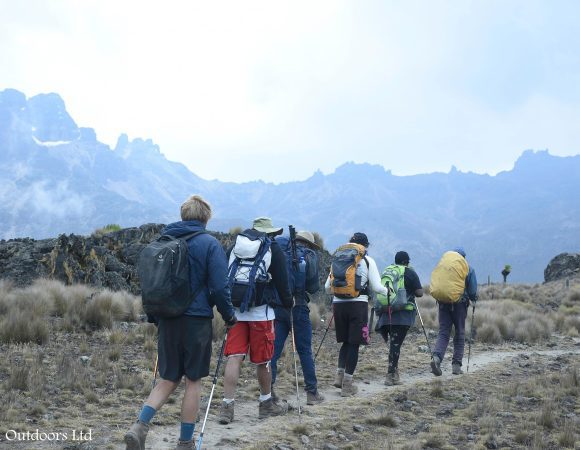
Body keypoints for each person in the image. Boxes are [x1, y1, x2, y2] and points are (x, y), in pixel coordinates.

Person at [124, 195, 237, 450]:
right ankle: (185, 442)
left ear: (183, 215)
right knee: (193, 381)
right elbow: (220, 287)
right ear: (205, 218)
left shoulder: (164, 241)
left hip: (167, 319)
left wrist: (156, 316)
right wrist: (229, 316)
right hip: (196, 322)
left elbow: (153, 285)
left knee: (168, 377)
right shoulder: (210, 244)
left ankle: (138, 427)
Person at [218, 217, 293, 424]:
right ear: (269, 232)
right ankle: (266, 404)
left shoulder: (236, 246)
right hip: (261, 313)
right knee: (263, 361)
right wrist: (288, 302)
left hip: (235, 312)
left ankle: (227, 407)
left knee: (234, 357)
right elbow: (282, 282)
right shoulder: (273, 249)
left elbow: (223, 274)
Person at [324, 232, 389, 397]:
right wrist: (387, 290)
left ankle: (339, 376)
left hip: (338, 305)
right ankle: (348, 385)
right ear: (365, 246)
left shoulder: (338, 259)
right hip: (358, 304)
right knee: (354, 343)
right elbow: (376, 287)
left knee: (345, 341)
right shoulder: (367, 260)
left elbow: (326, 287)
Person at [271, 230, 324, 405]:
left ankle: (268, 393)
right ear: (308, 244)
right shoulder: (309, 256)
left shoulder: (280, 251)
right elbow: (314, 287)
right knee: (304, 351)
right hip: (299, 307)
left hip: (278, 307)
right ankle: (312, 393)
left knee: (274, 351)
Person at [374, 251, 423, 385]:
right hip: (401, 316)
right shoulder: (409, 272)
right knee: (395, 345)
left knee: (394, 344)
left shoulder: (388, 271)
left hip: (385, 314)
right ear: (406, 262)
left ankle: (394, 372)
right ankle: (391, 376)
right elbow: (420, 293)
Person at [431, 247, 478, 376]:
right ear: (463, 257)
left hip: (443, 303)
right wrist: (474, 299)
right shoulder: (468, 268)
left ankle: (436, 358)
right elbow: (473, 291)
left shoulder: (444, 266)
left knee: (443, 332)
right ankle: (456, 366)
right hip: (460, 305)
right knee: (460, 333)